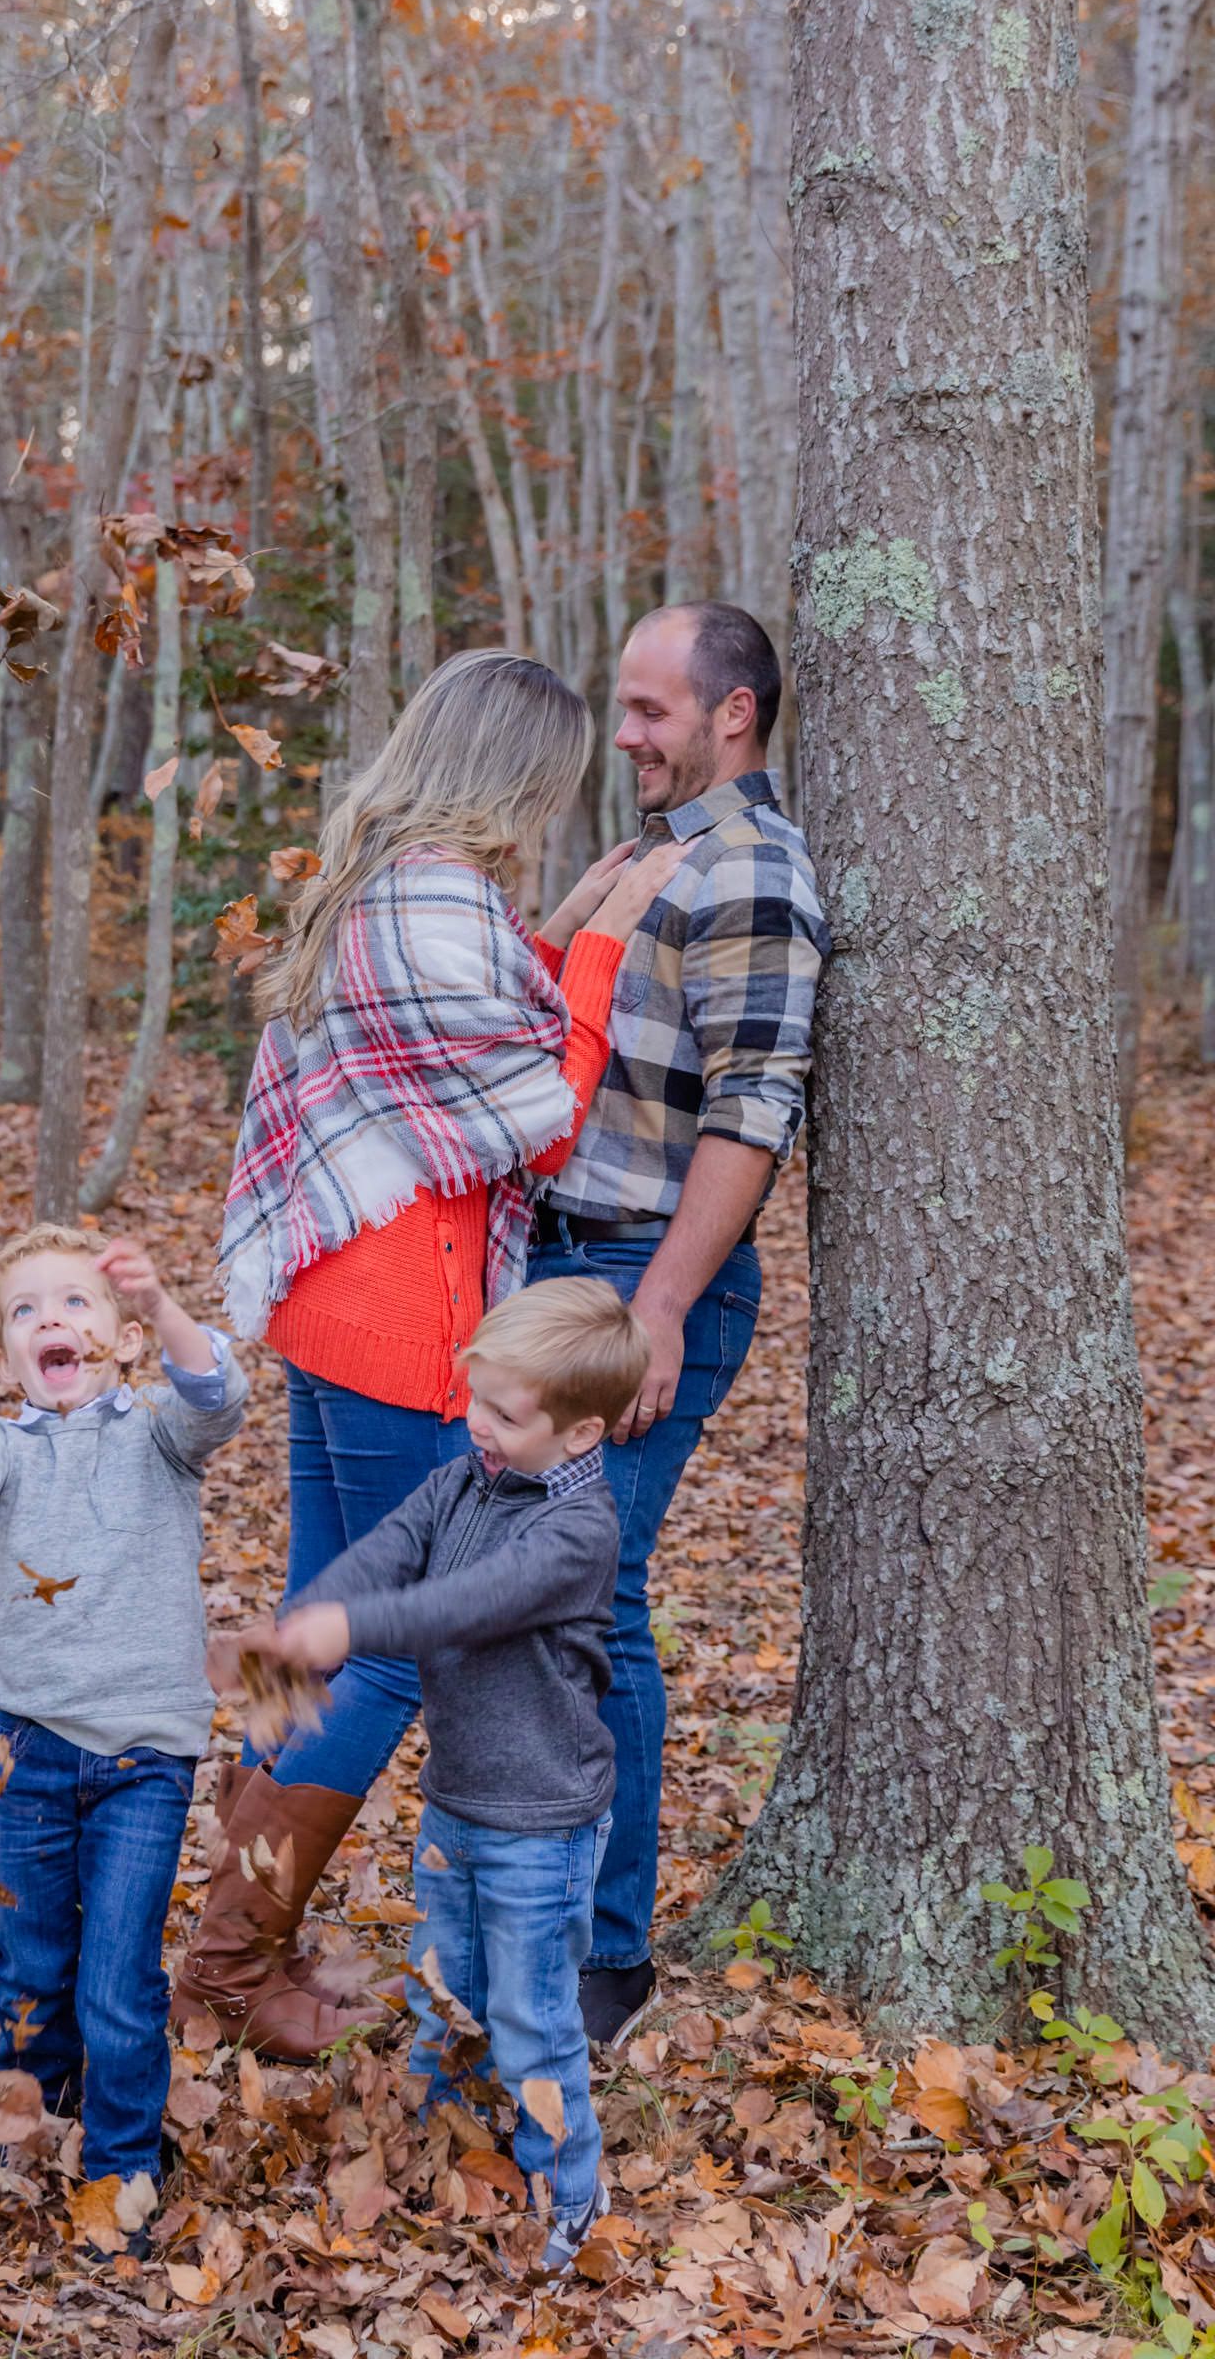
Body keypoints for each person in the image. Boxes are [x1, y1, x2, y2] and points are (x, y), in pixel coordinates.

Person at [175, 647, 683, 2060]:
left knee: (313, 1612)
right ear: (515, 775)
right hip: (407, 1315)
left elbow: (459, 1027)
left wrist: (565, 917)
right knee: (382, 1663)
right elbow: (533, 1111)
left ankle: (246, 1923)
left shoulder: (389, 889)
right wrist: (594, 953)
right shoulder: (434, 905)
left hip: (338, 1296)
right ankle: (224, 1971)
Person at [529, 602, 830, 2045]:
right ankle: (533, 1905)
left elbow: (753, 1109)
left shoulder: (757, 871)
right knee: (541, 1594)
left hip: (646, 1276)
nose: (628, 734)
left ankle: (607, 1953)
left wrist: (655, 1312)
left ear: (736, 716)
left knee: (593, 1598)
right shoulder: (654, 860)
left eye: (653, 711)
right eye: (625, 705)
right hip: (553, 1264)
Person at [214, 1277, 649, 2274]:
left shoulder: (576, 1533)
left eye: (503, 1412)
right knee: (444, 1987)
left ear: (581, 1437)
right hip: (458, 1801)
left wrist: (348, 1631)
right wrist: (301, 1629)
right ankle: (439, 2133)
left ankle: (567, 2185)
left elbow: (468, 1602)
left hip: (541, 1819)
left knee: (532, 2014)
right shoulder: (462, 1483)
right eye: (474, 1399)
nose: (476, 1424)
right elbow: (388, 1553)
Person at [0, 1225, 246, 2233]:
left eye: (75, 1304)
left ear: (119, 1339)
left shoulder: (159, 1436)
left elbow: (219, 1398)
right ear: (4, 1360)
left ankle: (121, 2158)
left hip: (144, 1758)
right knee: (32, 1962)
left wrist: (164, 1305)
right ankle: (25, 2119)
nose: (52, 1322)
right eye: (28, 1311)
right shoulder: (3, 1451)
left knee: (119, 1976)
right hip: (29, 1749)